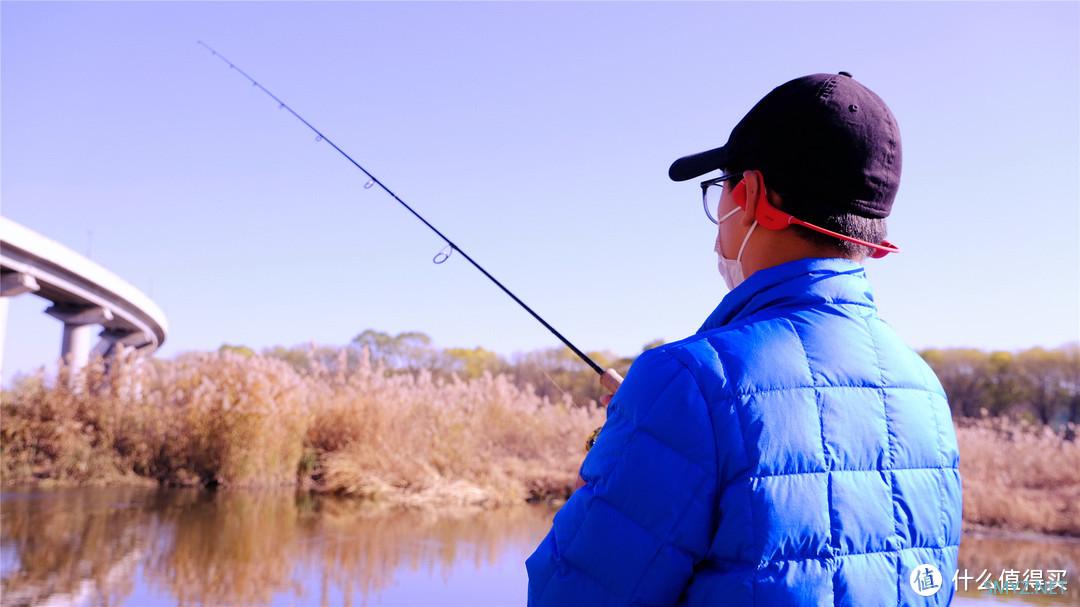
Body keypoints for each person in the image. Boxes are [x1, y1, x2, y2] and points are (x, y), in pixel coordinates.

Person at [525, 72, 962, 606]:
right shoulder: (925, 391)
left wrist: (625, 439)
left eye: (720, 191)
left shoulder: (686, 382)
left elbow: (571, 595)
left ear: (750, 196)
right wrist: (650, 427)